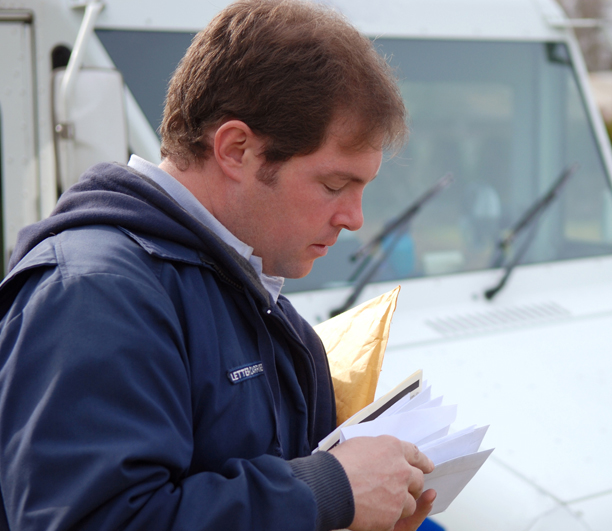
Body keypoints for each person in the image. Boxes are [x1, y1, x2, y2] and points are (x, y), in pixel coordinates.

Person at [0, 1, 435, 530]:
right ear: (236, 149)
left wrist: (359, 512)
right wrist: (328, 490)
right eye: (333, 184)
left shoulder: (257, 299)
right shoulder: (93, 294)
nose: (355, 218)